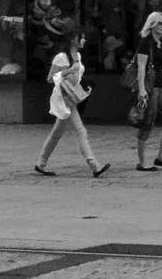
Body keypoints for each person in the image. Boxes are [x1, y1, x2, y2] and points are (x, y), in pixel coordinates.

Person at [35, 34, 109, 178]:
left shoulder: (78, 56)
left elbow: (76, 79)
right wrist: (68, 70)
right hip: (64, 98)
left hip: (71, 97)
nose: (84, 40)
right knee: (81, 131)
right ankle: (94, 166)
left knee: (56, 133)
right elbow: (50, 78)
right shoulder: (61, 57)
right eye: (81, 37)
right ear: (73, 39)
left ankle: (41, 163)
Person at [134, 10, 162, 172]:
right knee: (147, 123)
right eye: (160, 23)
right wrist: (141, 90)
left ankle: (161, 157)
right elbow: (141, 67)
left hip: (160, 87)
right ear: (152, 24)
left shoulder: (160, 43)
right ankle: (142, 162)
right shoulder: (146, 42)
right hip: (149, 88)